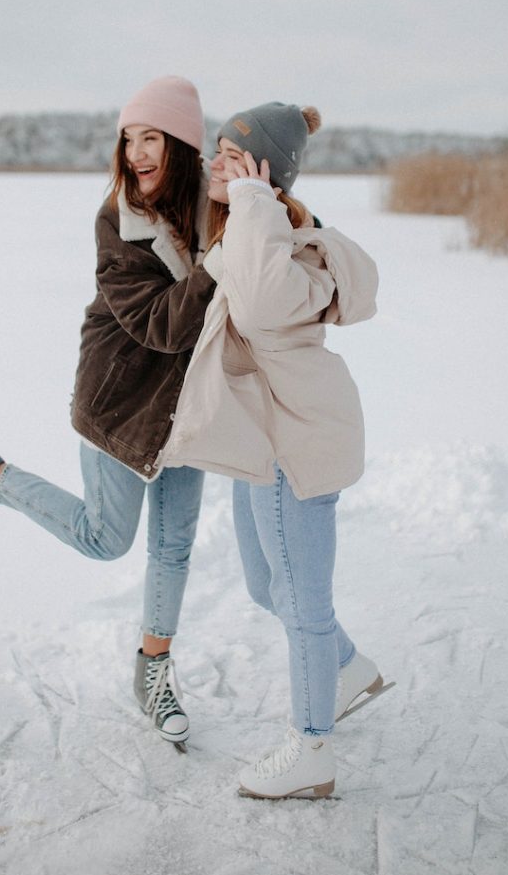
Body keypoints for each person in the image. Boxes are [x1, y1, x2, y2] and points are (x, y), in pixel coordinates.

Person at [0, 76, 217, 750]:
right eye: (129, 138)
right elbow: (162, 323)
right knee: (107, 539)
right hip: (121, 399)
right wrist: (220, 265)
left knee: (175, 544)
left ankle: (152, 672)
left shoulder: (214, 206)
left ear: (184, 145)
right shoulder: (116, 220)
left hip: (189, 407)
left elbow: (274, 205)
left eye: (151, 137)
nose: (135, 152)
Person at [159, 101, 386, 797]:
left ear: (269, 173)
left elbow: (258, 307)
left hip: (296, 443)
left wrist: (255, 197)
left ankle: (312, 748)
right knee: (267, 584)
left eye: (237, 155)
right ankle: (345, 670)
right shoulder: (254, 229)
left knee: (304, 602)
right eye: (218, 151)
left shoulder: (279, 236)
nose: (218, 165)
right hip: (264, 437)